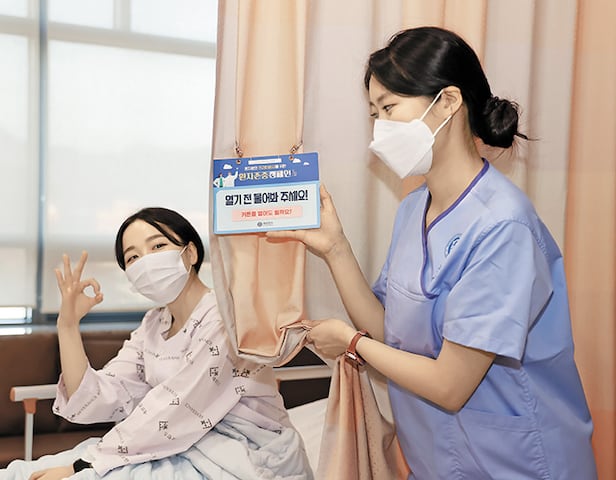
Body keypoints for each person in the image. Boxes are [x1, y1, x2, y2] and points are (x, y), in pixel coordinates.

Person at [268, 26, 598, 479]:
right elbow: (389, 330)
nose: (379, 129)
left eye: (389, 108)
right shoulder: (414, 209)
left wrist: (351, 343)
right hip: (439, 460)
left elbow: (449, 385)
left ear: (447, 102)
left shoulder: (503, 226)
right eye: (374, 114)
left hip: (518, 463)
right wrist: (335, 248)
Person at [3, 207, 312, 480]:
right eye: (133, 257)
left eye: (158, 246)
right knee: (21, 473)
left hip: (244, 454)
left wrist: (86, 464)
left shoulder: (225, 318)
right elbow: (99, 396)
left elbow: (174, 407)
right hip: (176, 445)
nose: (146, 262)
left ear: (190, 253)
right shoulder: (153, 324)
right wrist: (68, 325)